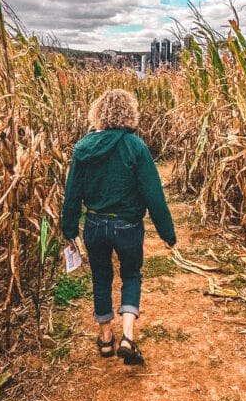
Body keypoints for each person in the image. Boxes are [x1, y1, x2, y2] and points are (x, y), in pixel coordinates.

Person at [61, 88, 176, 366]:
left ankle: (105, 339)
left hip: (95, 224)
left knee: (101, 277)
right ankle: (127, 336)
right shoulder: (135, 147)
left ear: (98, 112)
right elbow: (153, 193)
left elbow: (72, 191)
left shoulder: (84, 148)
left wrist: (69, 230)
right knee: (131, 275)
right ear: (129, 113)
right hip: (127, 225)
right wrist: (167, 233)